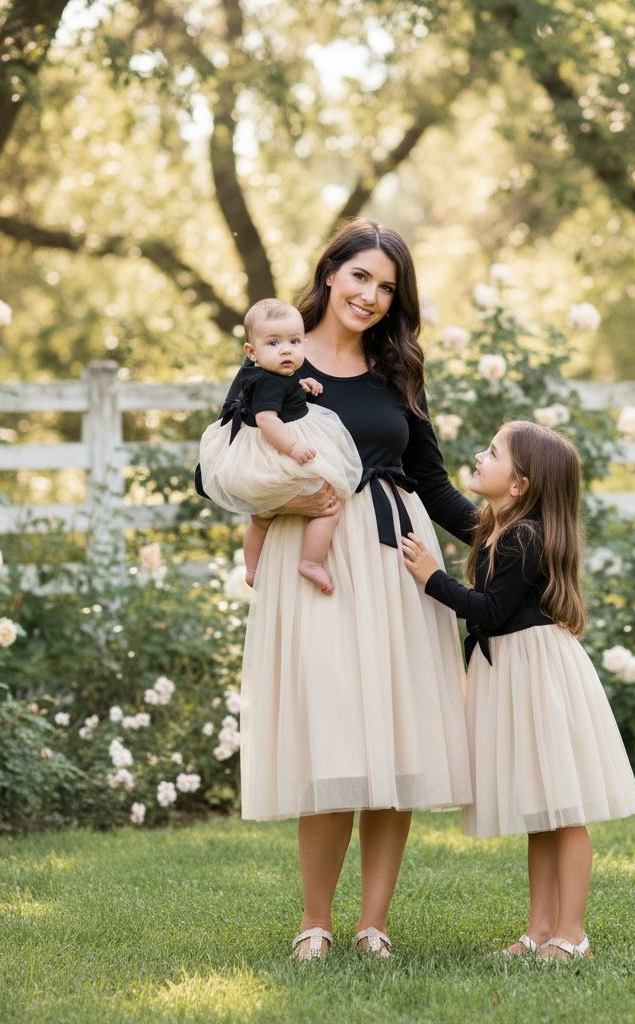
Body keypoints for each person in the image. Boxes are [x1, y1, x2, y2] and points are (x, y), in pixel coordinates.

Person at [234, 219, 477, 961]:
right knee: (330, 733)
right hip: (313, 563)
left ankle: (374, 923)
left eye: (387, 287)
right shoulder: (278, 350)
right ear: (331, 272)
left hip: (394, 558)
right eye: (361, 276)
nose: (370, 296)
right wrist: (289, 501)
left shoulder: (397, 369)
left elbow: (432, 481)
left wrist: (511, 542)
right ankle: (316, 921)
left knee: (393, 734)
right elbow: (226, 465)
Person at [401, 420, 635, 961]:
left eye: (492, 453)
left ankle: (572, 933)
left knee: (564, 809)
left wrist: (432, 577)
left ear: (519, 485)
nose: (479, 457)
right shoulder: (498, 527)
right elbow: (440, 496)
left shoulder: (525, 538)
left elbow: (489, 610)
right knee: (540, 809)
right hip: (512, 671)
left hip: (538, 675)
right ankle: (538, 930)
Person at [197, 298, 362, 594]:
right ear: (252, 352)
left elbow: (283, 391)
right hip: (278, 451)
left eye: (294, 342)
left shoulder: (271, 375)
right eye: (273, 343)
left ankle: (251, 569)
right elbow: (266, 419)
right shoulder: (269, 383)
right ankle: (311, 562)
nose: (286, 350)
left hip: (265, 455)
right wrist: (294, 448)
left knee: (261, 520)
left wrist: (302, 384)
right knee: (327, 509)